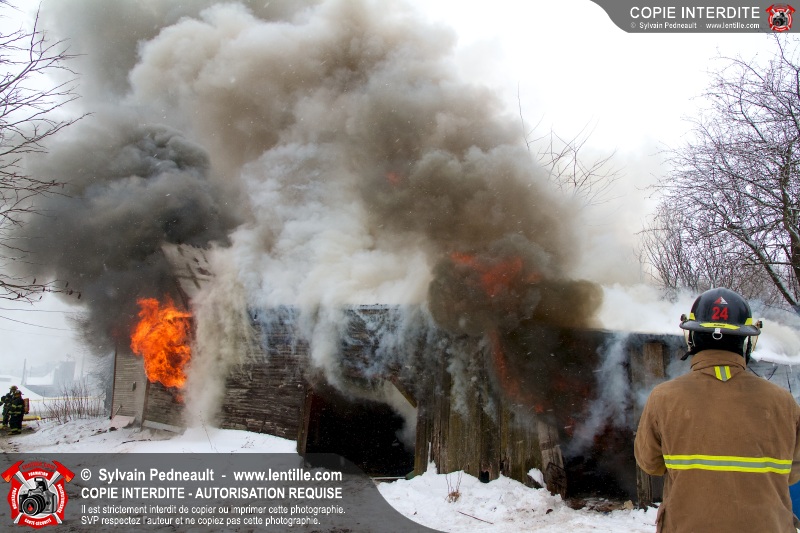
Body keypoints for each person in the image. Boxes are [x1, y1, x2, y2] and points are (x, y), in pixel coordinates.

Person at [634, 287, 800, 532]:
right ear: (746, 340)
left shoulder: (663, 398)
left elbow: (651, 464)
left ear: (692, 337)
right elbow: (793, 473)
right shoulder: (784, 402)